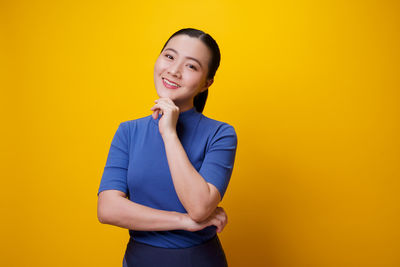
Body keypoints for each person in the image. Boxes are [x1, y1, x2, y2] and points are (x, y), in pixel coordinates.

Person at [97, 28, 238, 267]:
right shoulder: (128, 132)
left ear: (206, 83)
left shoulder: (220, 134)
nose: (174, 70)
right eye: (170, 56)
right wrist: (183, 221)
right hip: (140, 260)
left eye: (191, 66)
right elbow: (108, 209)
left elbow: (200, 207)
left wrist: (169, 133)